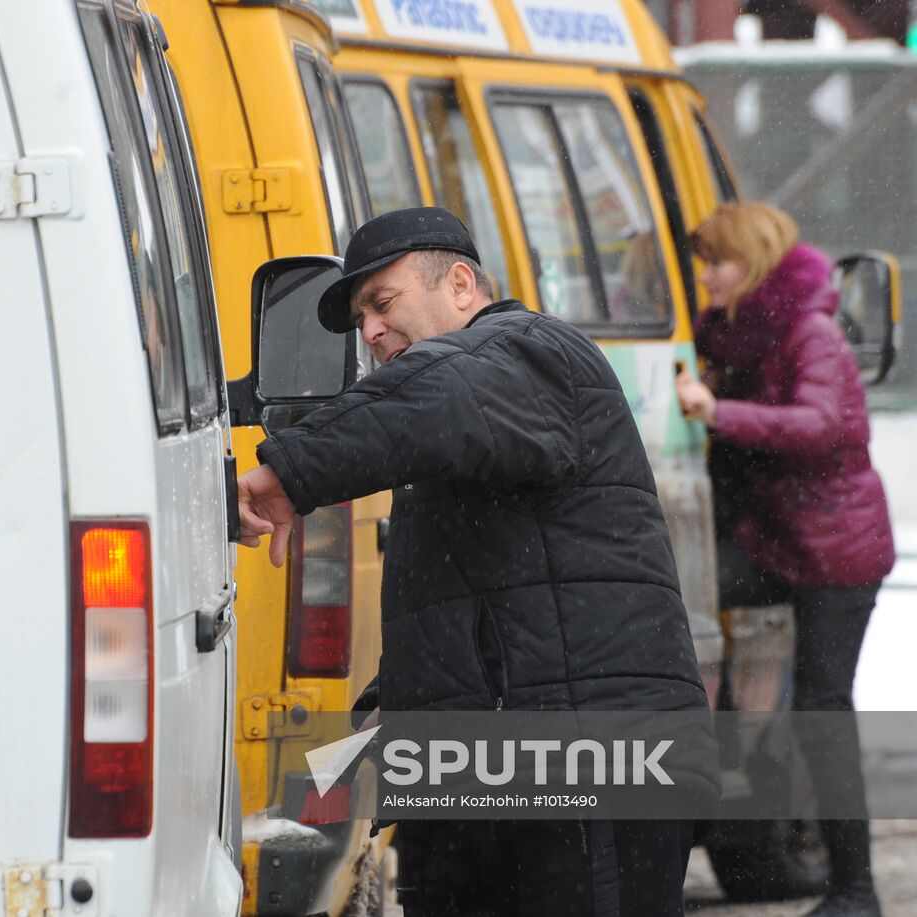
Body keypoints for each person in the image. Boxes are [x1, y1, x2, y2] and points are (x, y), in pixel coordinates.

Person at [238, 207, 712, 916]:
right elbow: (465, 608)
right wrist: (388, 715)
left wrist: (290, 470)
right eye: (362, 317)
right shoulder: (463, 427)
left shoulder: (531, 354)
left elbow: (439, 389)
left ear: (461, 284)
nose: (369, 332)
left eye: (382, 303)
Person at [676, 202, 894, 917]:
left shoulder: (811, 330)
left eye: (717, 261)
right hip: (777, 541)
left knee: (825, 709)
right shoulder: (736, 334)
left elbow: (819, 425)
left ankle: (855, 888)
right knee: (677, 605)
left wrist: (717, 412)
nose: (705, 275)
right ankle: (730, 758)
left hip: (836, 552)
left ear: (755, 263)